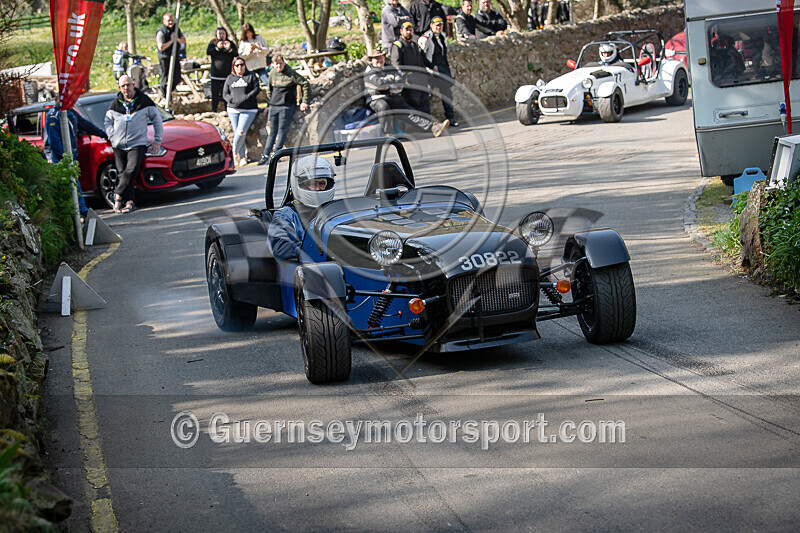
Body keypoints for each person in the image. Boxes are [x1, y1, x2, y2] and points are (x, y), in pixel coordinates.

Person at [104, 75, 163, 214]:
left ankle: (117, 195)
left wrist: (157, 140)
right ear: (119, 88)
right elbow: (107, 121)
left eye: (128, 85)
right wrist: (112, 136)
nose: (126, 88)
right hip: (119, 145)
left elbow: (157, 120)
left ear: (133, 84)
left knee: (130, 170)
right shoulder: (116, 103)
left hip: (137, 143)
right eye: (123, 86)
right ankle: (129, 202)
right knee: (122, 173)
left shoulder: (144, 101)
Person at [364, 49, 448, 137]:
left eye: (381, 57)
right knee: (383, 106)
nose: (379, 60)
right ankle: (387, 135)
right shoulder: (369, 71)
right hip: (375, 99)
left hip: (391, 96)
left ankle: (433, 127)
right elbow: (380, 84)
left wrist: (390, 81)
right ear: (372, 60)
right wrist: (392, 79)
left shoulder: (389, 67)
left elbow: (401, 80)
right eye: (376, 58)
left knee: (408, 111)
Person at [268, 156, 336, 262]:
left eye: (322, 184)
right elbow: (281, 248)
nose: (318, 188)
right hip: (303, 272)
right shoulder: (286, 215)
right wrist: (319, 250)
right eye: (313, 184)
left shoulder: (333, 210)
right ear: (299, 184)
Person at [44, 106, 108, 217]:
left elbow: (86, 125)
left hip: (70, 156)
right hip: (61, 159)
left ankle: (79, 211)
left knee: (73, 183)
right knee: (70, 183)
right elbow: (54, 142)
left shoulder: (71, 112)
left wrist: (103, 134)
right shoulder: (53, 116)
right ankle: (81, 211)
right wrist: (66, 158)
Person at [257, 54, 310, 166]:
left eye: (280, 63)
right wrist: (270, 103)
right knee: (272, 132)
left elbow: (305, 83)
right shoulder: (272, 73)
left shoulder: (290, 73)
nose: (278, 66)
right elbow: (269, 89)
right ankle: (266, 155)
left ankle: (276, 154)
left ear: (284, 63)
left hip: (286, 106)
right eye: (276, 64)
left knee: (282, 131)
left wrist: (304, 101)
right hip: (274, 106)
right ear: (273, 65)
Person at [418, 16, 457, 126]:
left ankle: (451, 118)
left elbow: (444, 55)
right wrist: (431, 66)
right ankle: (427, 122)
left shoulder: (443, 36)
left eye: (440, 25)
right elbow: (421, 56)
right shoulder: (425, 38)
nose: (439, 27)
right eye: (436, 25)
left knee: (447, 92)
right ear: (431, 25)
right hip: (431, 71)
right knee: (427, 95)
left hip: (442, 68)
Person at [223, 58, 260, 167]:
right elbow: (225, 93)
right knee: (238, 133)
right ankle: (242, 157)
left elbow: (256, 89)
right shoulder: (230, 78)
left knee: (241, 132)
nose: (240, 67)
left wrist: (245, 98)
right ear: (233, 67)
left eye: (242, 65)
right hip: (233, 110)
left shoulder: (251, 76)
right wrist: (232, 100)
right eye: (237, 65)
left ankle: (233, 153)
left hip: (249, 109)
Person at [391, 21, 433, 115]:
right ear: (401, 31)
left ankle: (430, 127)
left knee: (425, 104)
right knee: (415, 105)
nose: (409, 32)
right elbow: (396, 65)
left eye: (411, 30)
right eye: (406, 30)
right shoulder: (398, 45)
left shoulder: (414, 45)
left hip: (420, 79)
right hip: (409, 81)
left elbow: (420, 62)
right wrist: (404, 78)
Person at [207, 27, 238, 112]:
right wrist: (217, 48)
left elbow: (236, 54)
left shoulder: (230, 43)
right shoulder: (213, 43)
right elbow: (209, 52)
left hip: (227, 74)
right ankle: (214, 110)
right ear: (216, 35)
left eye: (223, 33)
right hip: (215, 75)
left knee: (226, 93)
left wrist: (229, 49)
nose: (221, 35)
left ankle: (227, 110)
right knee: (215, 94)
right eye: (219, 33)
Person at [156, 12, 186, 98]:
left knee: (177, 77)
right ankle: (165, 96)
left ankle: (169, 91)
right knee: (165, 77)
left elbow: (183, 40)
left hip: (175, 56)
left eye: (172, 21)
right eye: (168, 21)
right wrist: (172, 41)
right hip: (165, 57)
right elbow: (161, 47)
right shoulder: (161, 32)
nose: (170, 23)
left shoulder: (176, 29)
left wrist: (177, 38)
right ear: (164, 21)